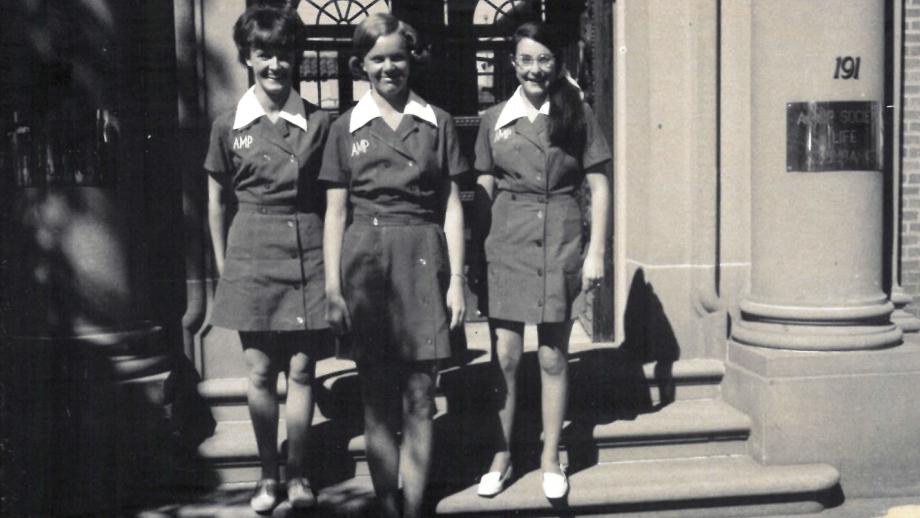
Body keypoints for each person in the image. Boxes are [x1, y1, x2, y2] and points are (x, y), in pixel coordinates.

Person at [320, 13, 467, 518]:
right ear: (361, 65)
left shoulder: (438, 122)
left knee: (422, 395)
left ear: (412, 59)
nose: (389, 67)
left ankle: (416, 507)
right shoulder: (344, 128)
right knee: (378, 397)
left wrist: (458, 285)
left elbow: (451, 205)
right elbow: (336, 211)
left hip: (424, 259)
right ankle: (387, 504)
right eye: (378, 58)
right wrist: (334, 289)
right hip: (366, 263)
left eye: (397, 57)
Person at [471, 20, 611, 500]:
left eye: (545, 59)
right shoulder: (493, 119)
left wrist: (596, 252)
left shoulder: (576, 112)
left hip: (560, 239)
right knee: (506, 357)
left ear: (559, 62)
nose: (536, 69)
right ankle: (502, 455)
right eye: (526, 59)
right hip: (506, 243)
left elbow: (599, 183)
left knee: (552, 355)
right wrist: (476, 244)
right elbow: (484, 184)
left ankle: (552, 456)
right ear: (513, 64)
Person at [204, 5, 329, 513]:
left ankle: (298, 474)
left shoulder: (320, 123)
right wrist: (222, 265)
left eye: (283, 53)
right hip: (250, 251)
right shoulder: (228, 124)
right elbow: (215, 200)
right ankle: (267, 475)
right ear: (247, 57)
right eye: (264, 53)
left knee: (301, 371)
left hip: (308, 249)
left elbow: (333, 199)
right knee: (258, 372)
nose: (275, 64)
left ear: (295, 56)